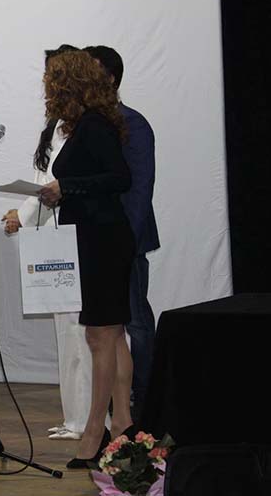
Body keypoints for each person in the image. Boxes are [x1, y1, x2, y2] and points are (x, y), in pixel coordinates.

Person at [21, 50, 134, 468]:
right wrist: (64, 190)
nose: (47, 91)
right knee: (112, 336)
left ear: (68, 84)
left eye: (52, 82)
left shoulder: (94, 125)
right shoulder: (88, 123)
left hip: (102, 241)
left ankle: (94, 432)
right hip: (96, 238)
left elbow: (120, 178)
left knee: (100, 337)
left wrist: (66, 187)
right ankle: (122, 424)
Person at [4, 44, 97, 442]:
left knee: (81, 333)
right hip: (57, 237)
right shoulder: (57, 124)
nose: (47, 83)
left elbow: (59, 184)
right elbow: (44, 181)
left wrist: (24, 214)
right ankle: (74, 416)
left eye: (53, 75)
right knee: (66, 332)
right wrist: (23, 213)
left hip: (78, 237)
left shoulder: (85, 125)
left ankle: (89, 419)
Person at [84, 46, 160, 421]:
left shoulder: (133, 123)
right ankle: (119, 401)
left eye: (91, 71)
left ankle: (146, 398)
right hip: (97, 242)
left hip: (126, 241)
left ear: (110, 78)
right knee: (105, 329)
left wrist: (125, 241)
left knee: (136, 323)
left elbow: (140, 189)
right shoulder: (87, 124)